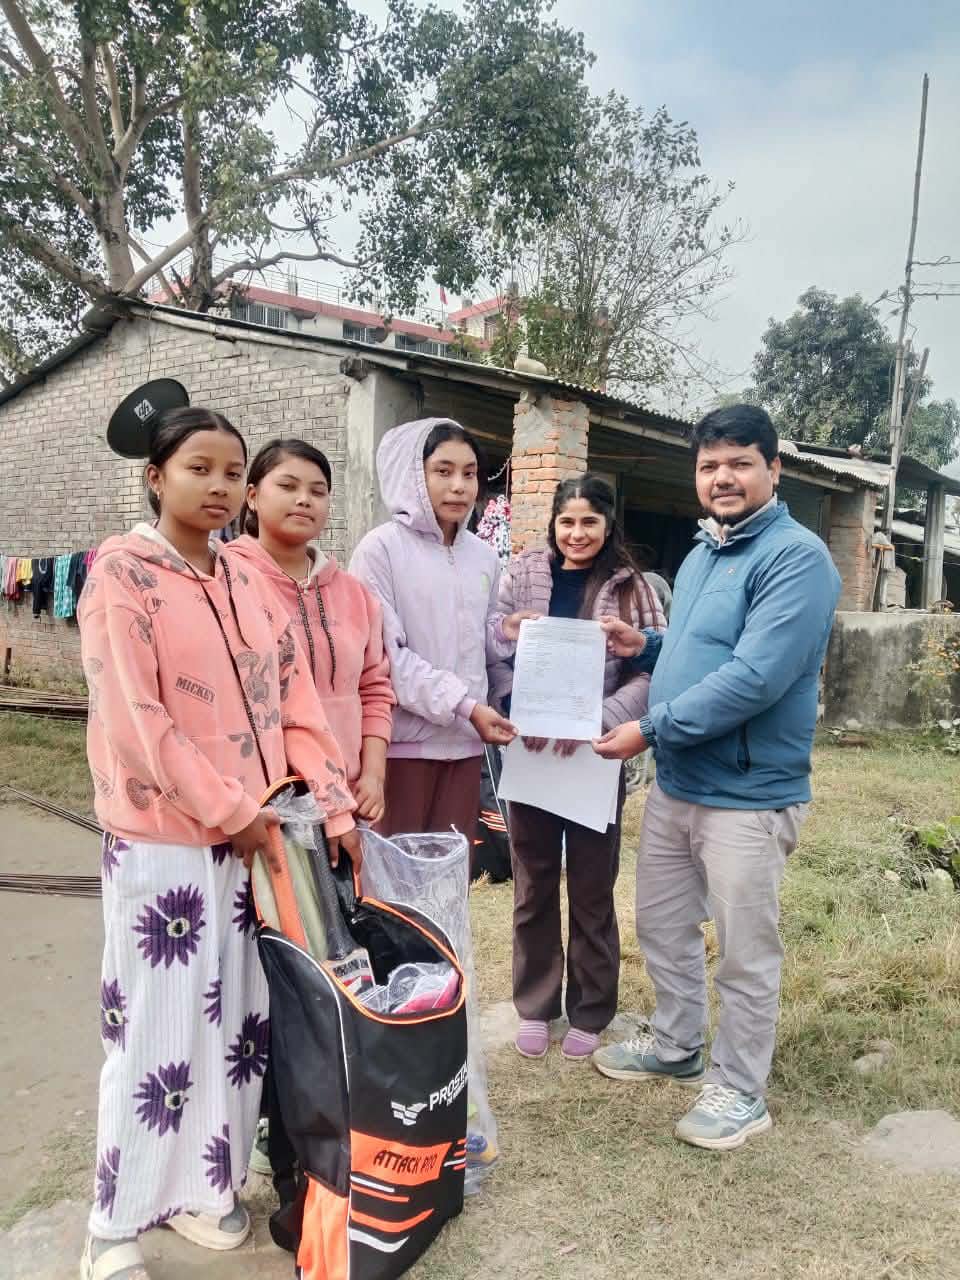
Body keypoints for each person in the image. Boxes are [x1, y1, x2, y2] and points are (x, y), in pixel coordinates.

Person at [79, 408, 360, 1280]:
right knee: (154, 1030)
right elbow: (137, 721)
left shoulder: (241, 573)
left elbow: (294, 698)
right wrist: (230, 809)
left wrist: (332, 804)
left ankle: (207, 1189)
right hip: (166, 840)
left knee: (238, 1026)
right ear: (155, 476)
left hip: (256, 837)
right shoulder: (121, 576)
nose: (220, 486)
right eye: (198, 467)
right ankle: (114, 1223)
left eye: (233, 471)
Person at [591, 404, 840, 1150]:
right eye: (709, 466)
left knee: (743, 949)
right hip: (679, 784)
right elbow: (701, 645)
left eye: (739, 462)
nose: (722, 477)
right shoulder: (705, 552)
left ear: (773, 469)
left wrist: (649, 729)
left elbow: (754, 676)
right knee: (662, 925)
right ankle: (677, 1045)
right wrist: (648, 644)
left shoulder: (797, 559)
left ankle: (740, 1088)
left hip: (748, 793)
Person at [489, 475, 666, 1062]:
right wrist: (515, 704)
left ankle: (591, 1008)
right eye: (567, 521)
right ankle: (536, 1005)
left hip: (597, 756)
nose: (577, 533)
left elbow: (653, 668)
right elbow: (492, 648)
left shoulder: (633, 588)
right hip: (532, 753)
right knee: (533, 883)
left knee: (592, 887)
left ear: (608, 525)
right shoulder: (521, 575)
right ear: (553, 523)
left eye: (590, 521)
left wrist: (603, 718)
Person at [349, 417, 534, 846]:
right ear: (413, 476)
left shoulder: (483, 556)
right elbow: (386, 658)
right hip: (400, 748)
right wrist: (466, 706)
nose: (459, 487)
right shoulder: (381, 550)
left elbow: (477, 640)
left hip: (466, 748)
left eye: (469, 474)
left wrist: (504, 630)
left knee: (449, 874)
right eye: (443, 471)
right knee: (395, 873)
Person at [227, 437, 394, 820]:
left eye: (317, 492)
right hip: (260, 798)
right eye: (288, 486)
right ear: (252, 497)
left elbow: (374, 689)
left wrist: (373, 775)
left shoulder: (355, 594)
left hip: (346, 794)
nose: (304, 499)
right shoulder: (228, 581)